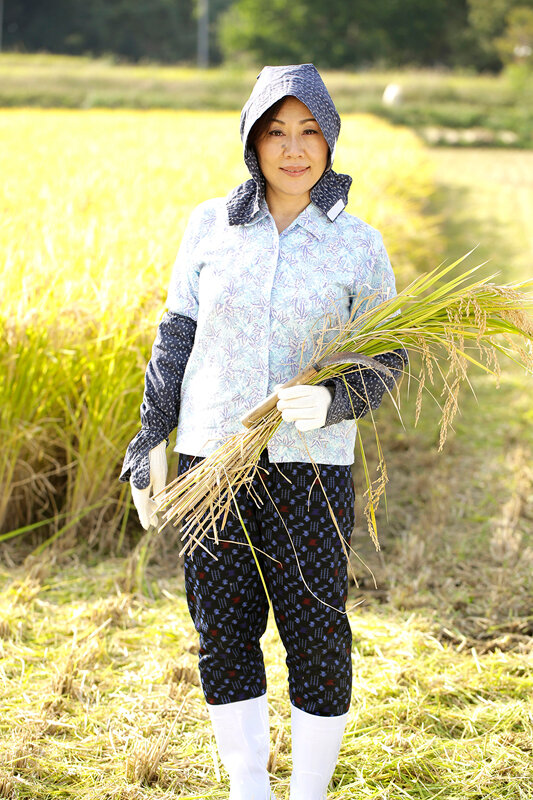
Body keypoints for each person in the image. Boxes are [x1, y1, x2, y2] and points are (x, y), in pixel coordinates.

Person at [120, 63, 407, 800]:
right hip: (207, 460)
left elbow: (386, 357)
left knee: (316, 630)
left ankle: (307, 792)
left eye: (308, 130)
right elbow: (175, 334)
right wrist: (151, 436)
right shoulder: (209, 225)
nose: (292, 148)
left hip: (310, 465)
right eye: (275, 131)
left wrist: (337, 400)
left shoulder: (357, 243)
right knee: (221, 629)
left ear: (329, 139)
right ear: (252, 139)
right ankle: (249, 790)